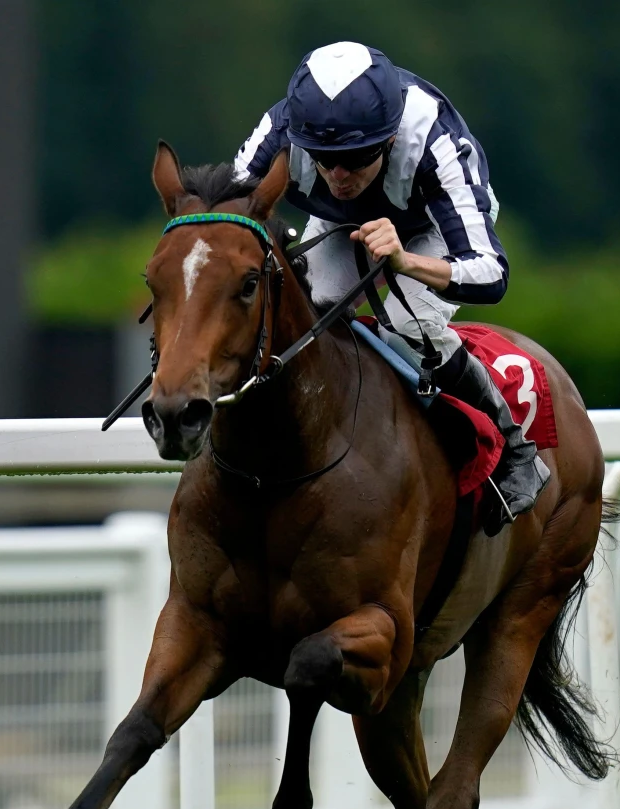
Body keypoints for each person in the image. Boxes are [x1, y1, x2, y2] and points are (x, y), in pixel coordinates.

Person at [233, 41, 548, 534]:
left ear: (390, 138)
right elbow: (225, 221)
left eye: (356, 158)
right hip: (339, 223)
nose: (339, 175)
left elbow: (491, 274)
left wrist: (404, 261)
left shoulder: (433, 140)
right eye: (324, 158)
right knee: (307, 312)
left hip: (428, 226)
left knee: (407, 323)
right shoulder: (280, 132)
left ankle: (515, 449)